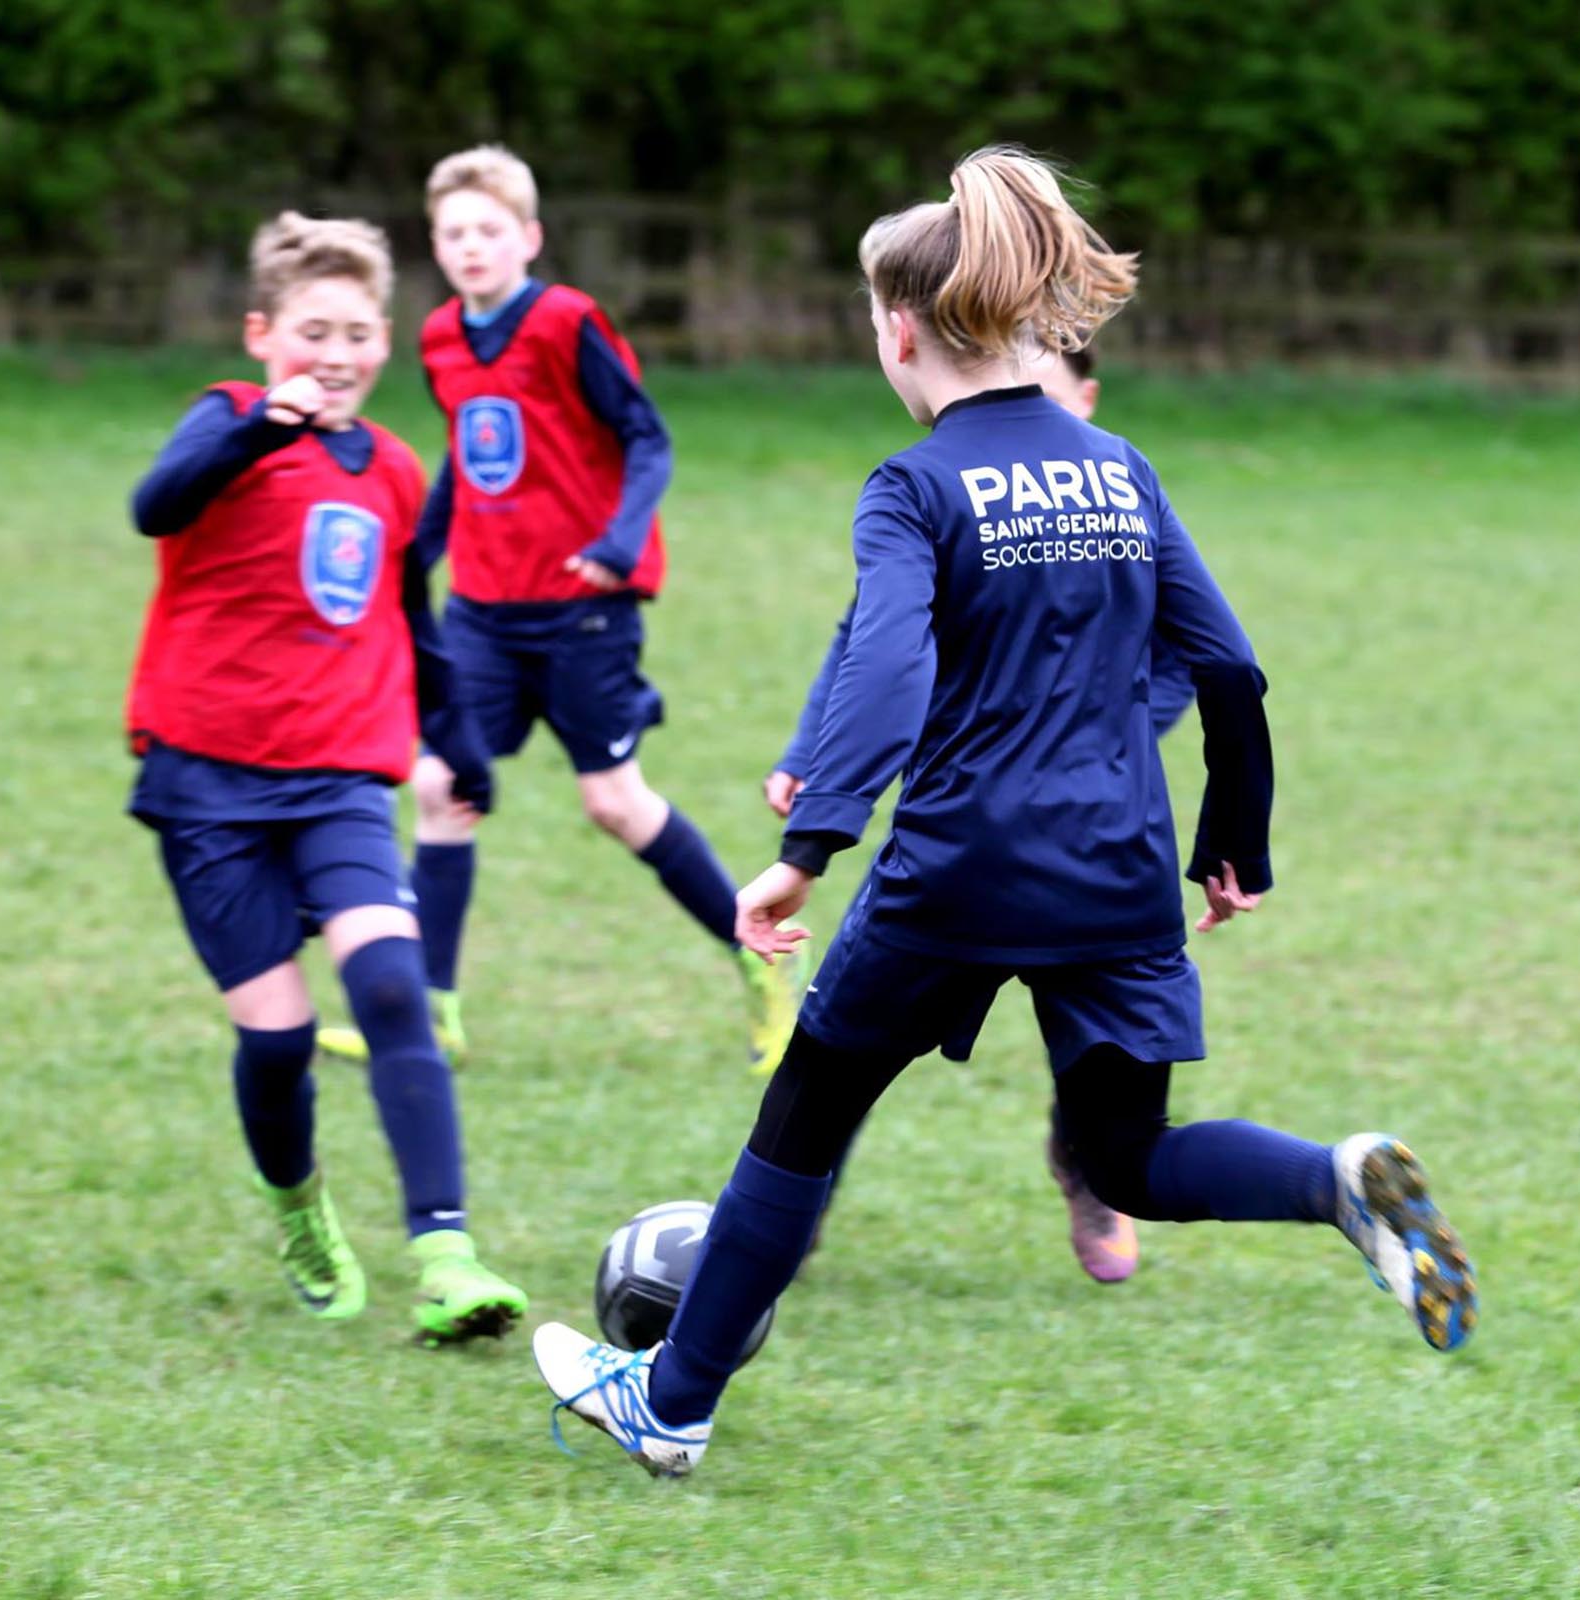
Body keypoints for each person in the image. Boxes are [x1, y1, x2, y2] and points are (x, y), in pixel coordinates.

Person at [533, 148, 1477, 1477]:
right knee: (1130, 1158)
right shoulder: (1118, 469)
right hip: (1120, 873)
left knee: (808, 1108)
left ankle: (672, 1404)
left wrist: (809, 849)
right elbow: (1232, 667)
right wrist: (1234, 839)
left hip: (962, 870)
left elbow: (888, 659)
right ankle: (1334, 1182)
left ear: (900, 328)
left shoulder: (912, 487)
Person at [314, 145, 805, 1075]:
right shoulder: (438, 339)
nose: (471, 247)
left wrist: (619, 544)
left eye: (489, 230)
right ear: (436, 243)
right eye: (454, 232)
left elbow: (646, 438)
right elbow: (467, 452)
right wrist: (424, 547)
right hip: (485, 611)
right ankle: (435, 1015)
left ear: (529, 238)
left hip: (584, 607)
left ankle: (759, 959)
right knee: (438, 787)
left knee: (614, 803)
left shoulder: (568, 321)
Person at [126, 210, 526, 1344]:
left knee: (393, 988)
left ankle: (447, 1255)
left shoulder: (398, 471)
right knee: (280, 1042)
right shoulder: (225, 422)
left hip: (345, 775)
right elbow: (154, 506)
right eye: (311, 331)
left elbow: (413, 622)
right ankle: (298, 1204)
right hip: (203, 778)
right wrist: (262, 428)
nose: (334, 354)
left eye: (356, 333)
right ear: (263, 334)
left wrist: (456, 739)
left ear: (384, 345)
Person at [762, 345, 1190, 1285]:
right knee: (855, 1033)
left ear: (1083, 396)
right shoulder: (947, 496)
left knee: (1099, 1050)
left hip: (1085, 820)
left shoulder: (1119, 495)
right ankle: (792, 1205)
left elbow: (1190, 650)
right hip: (967, 821)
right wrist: (814, 760)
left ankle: (1092, 1172)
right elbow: (868, 641)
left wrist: (1106, 736)